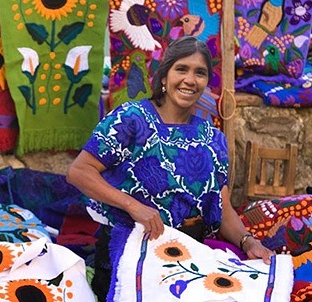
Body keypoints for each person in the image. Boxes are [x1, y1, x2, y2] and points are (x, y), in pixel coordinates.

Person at [66, 36, 273, 301]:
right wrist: (133, 206)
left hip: (189, 258)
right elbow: (80, 171)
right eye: (181, 69)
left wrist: (248, 241)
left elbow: (222, 207)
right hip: (134, 253)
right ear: (164, 76)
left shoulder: (213, 138)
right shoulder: (132, 119)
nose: (190, 79)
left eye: (200, 73)